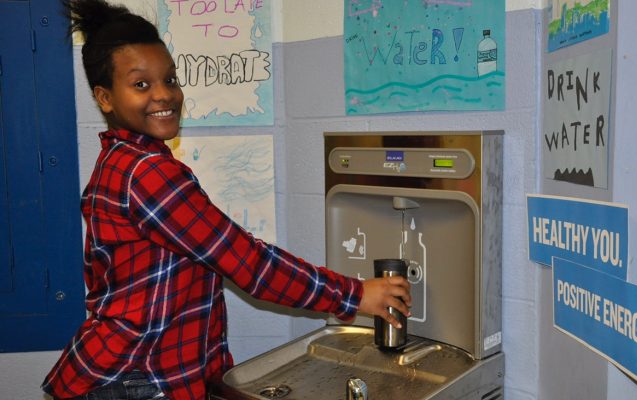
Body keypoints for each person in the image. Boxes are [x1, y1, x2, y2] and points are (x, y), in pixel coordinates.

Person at [42, 1, 411, 399]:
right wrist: (357, 295)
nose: (165, 95)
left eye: (170, 79)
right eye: (141, 85)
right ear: (105, 98)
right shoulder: (147, 174)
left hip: (128, 370)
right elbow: (248, 262)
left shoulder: (120, 161)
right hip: (139, 378)